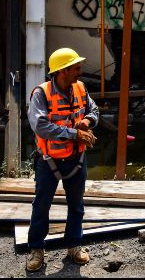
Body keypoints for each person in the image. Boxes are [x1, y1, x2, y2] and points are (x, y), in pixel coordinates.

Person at [25, 48, 98, 272]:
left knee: (76, 206)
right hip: (49, 162)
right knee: (41, 206)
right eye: (76, 67)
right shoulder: (41, 93)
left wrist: (87, 120)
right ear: (64, 70)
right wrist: (74, 134)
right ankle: (36, 249)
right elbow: (41, 126)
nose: (80, 71)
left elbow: (93, 109)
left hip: (76, 159)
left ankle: (74, 246)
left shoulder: (80, 88)